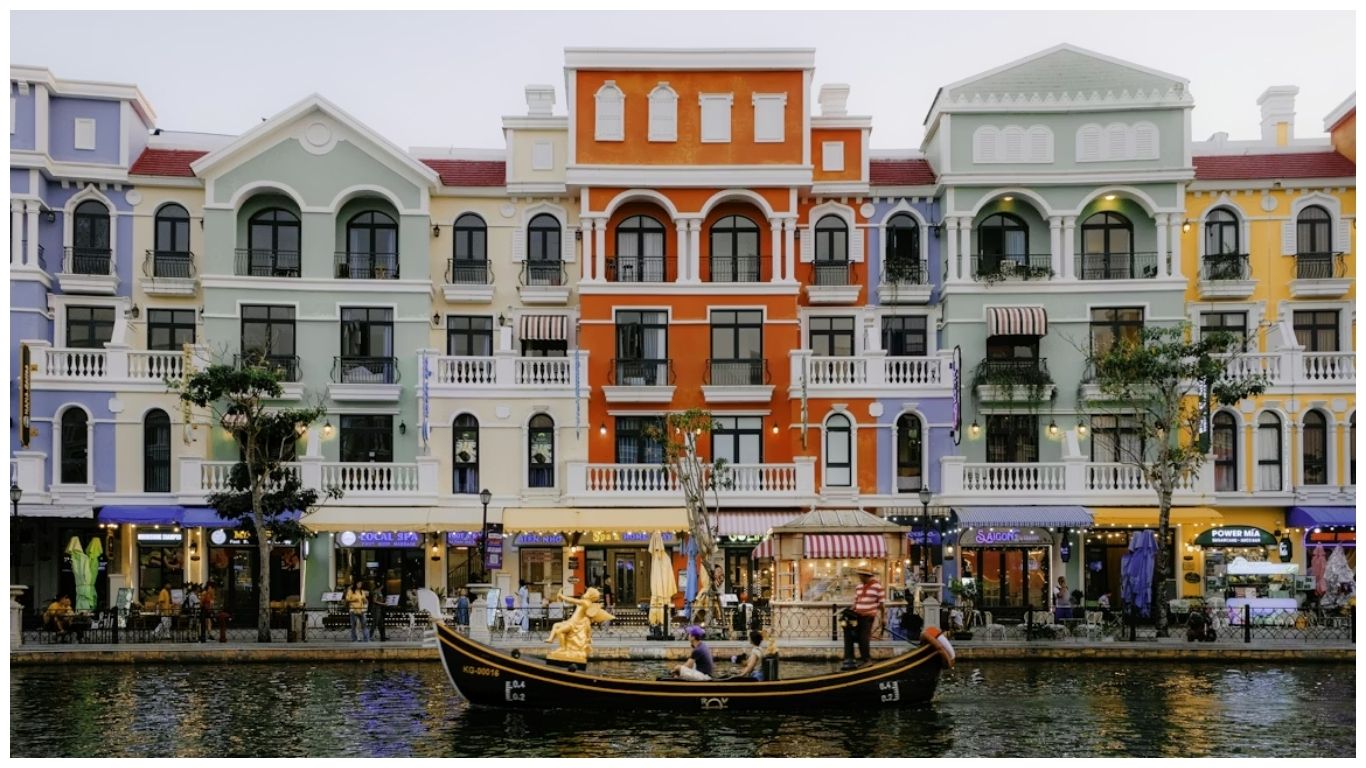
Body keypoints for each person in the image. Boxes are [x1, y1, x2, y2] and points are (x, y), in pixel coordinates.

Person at [848, 567, 885, 667]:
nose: (858, 577)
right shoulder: (859, 587)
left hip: (868, 615)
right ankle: (863, 659)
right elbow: (856, 601)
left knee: (864, 637)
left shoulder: (877, 586)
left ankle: (867, 659)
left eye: (860, 575)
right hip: (858, 615)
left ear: (865, 576)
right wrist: (850, 610)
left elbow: (881, 604)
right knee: (858, 637)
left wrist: (883, 618)